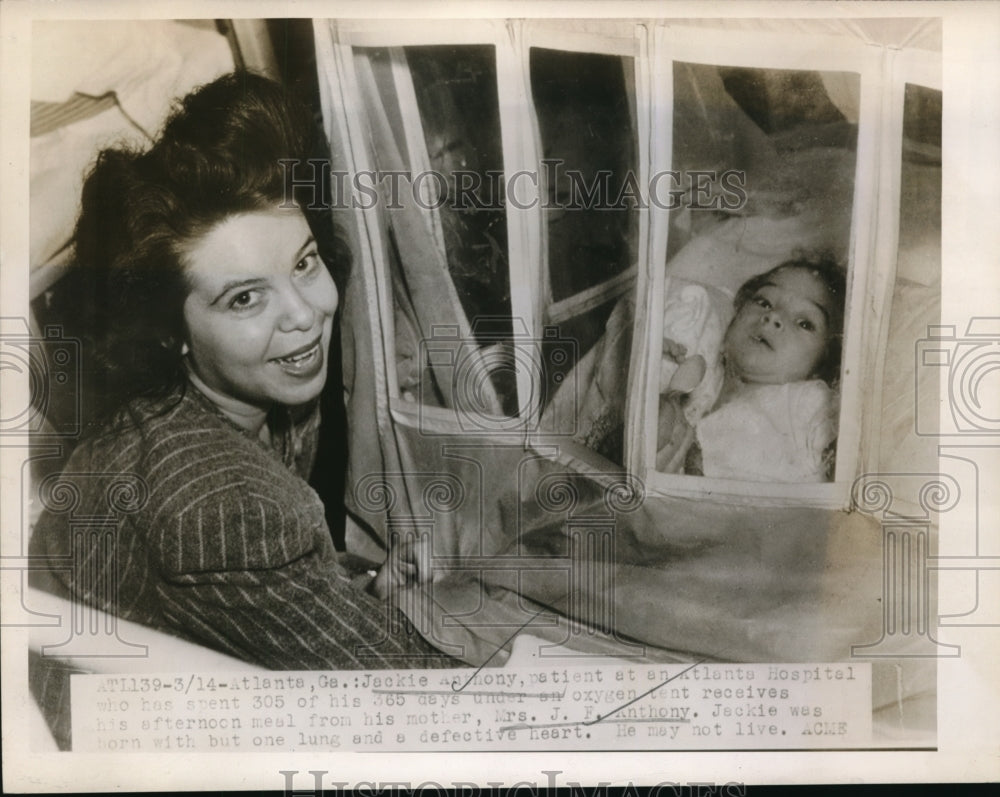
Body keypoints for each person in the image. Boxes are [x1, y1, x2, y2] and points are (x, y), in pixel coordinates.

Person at [29, 72, 452, 670]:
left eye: (304, 263)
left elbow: (253, 592)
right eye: (245, 299)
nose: (305, 315)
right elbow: (413, 691)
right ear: (169, 331)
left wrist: (364, 588)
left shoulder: (249, 399)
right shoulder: (223, 504)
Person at [656, 256, 845, 482]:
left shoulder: (809, 404)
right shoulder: (692, 363)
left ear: (824, 362)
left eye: (804, 323)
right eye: (764, 302)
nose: (773, 316)